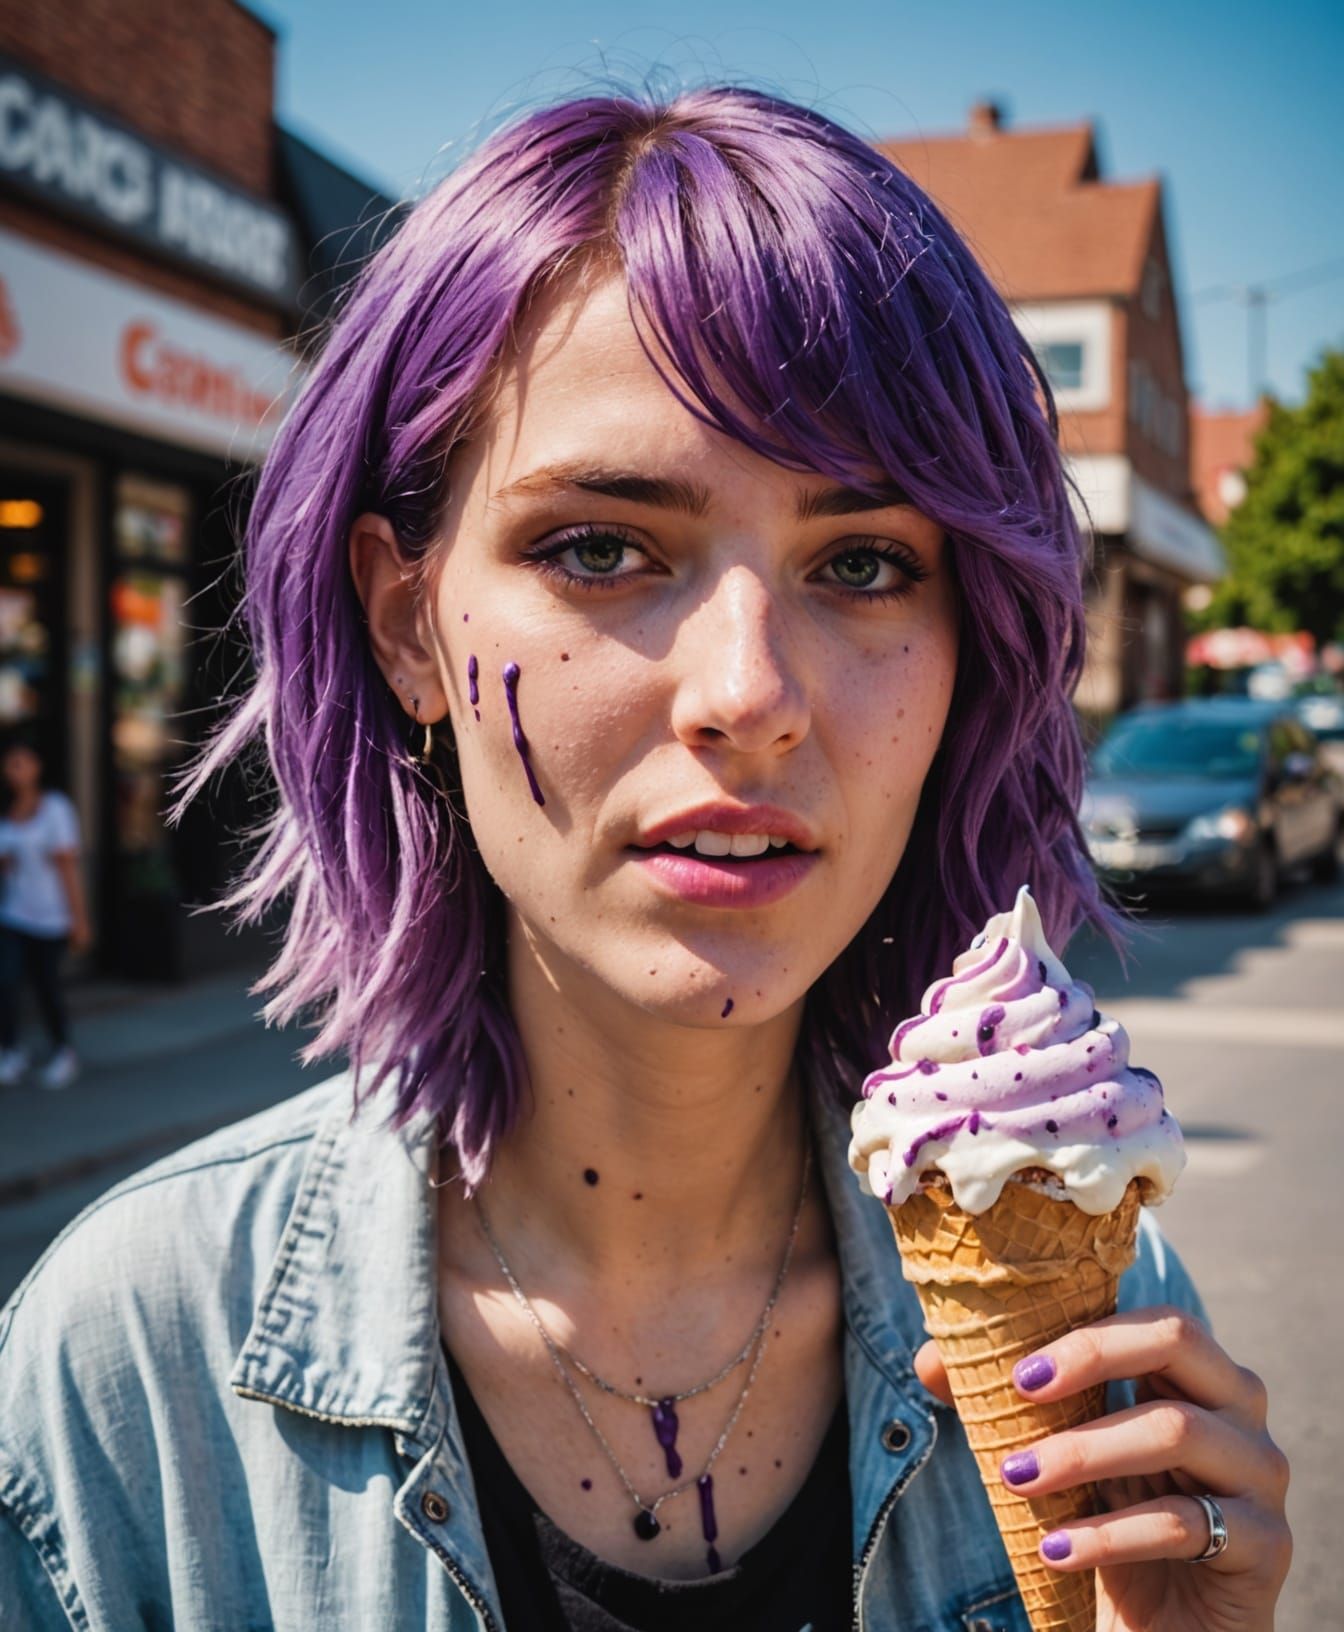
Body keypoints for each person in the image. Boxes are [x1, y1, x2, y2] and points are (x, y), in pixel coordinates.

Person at [0, 87, 1290, 1630]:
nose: (749, 692)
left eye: (866, 562)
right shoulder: (126, 1368)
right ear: (409, 622)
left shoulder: (1109, 1338)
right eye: (603, 547)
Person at [0, 730, 90, 1091]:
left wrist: (79, 919)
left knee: (46, 986)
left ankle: (62, 1051)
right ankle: (10, 1050)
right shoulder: (5, 813)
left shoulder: (56, 810)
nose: (15, 770)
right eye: (10, 764)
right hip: (13, 914)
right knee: (7, 983)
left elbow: (69, 869)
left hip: (51, 916)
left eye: (22, 762)